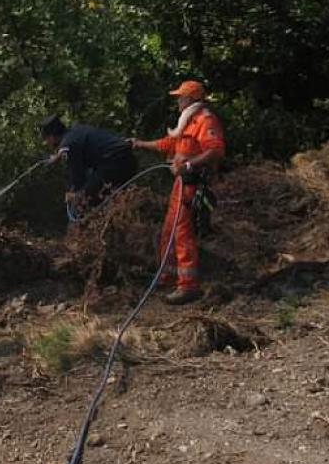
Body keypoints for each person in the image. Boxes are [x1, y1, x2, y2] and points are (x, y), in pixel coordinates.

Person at [129, 80, 225, 305]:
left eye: (180, 97)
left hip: (193, 185)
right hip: (180, 184)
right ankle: (167, 276)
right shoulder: (186, 122)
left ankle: (188, 286)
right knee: (169, 231)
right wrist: (139, 144)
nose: (178, 102)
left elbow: (216, 151)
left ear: (190, 99)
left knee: (182, 233)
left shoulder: (205, 120)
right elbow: (168, 144)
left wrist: (190, 164)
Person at [38, 113, 137, 213]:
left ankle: (94, 224)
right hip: (125, 158)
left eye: (46, 139)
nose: (47, 143)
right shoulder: (76, 130)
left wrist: (72, 194)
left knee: (78, 203)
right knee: (96, 189)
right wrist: (58, 156)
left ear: (51, 136)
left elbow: (77, 178)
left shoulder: (68, 145)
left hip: (114, 163)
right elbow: (75, 147)